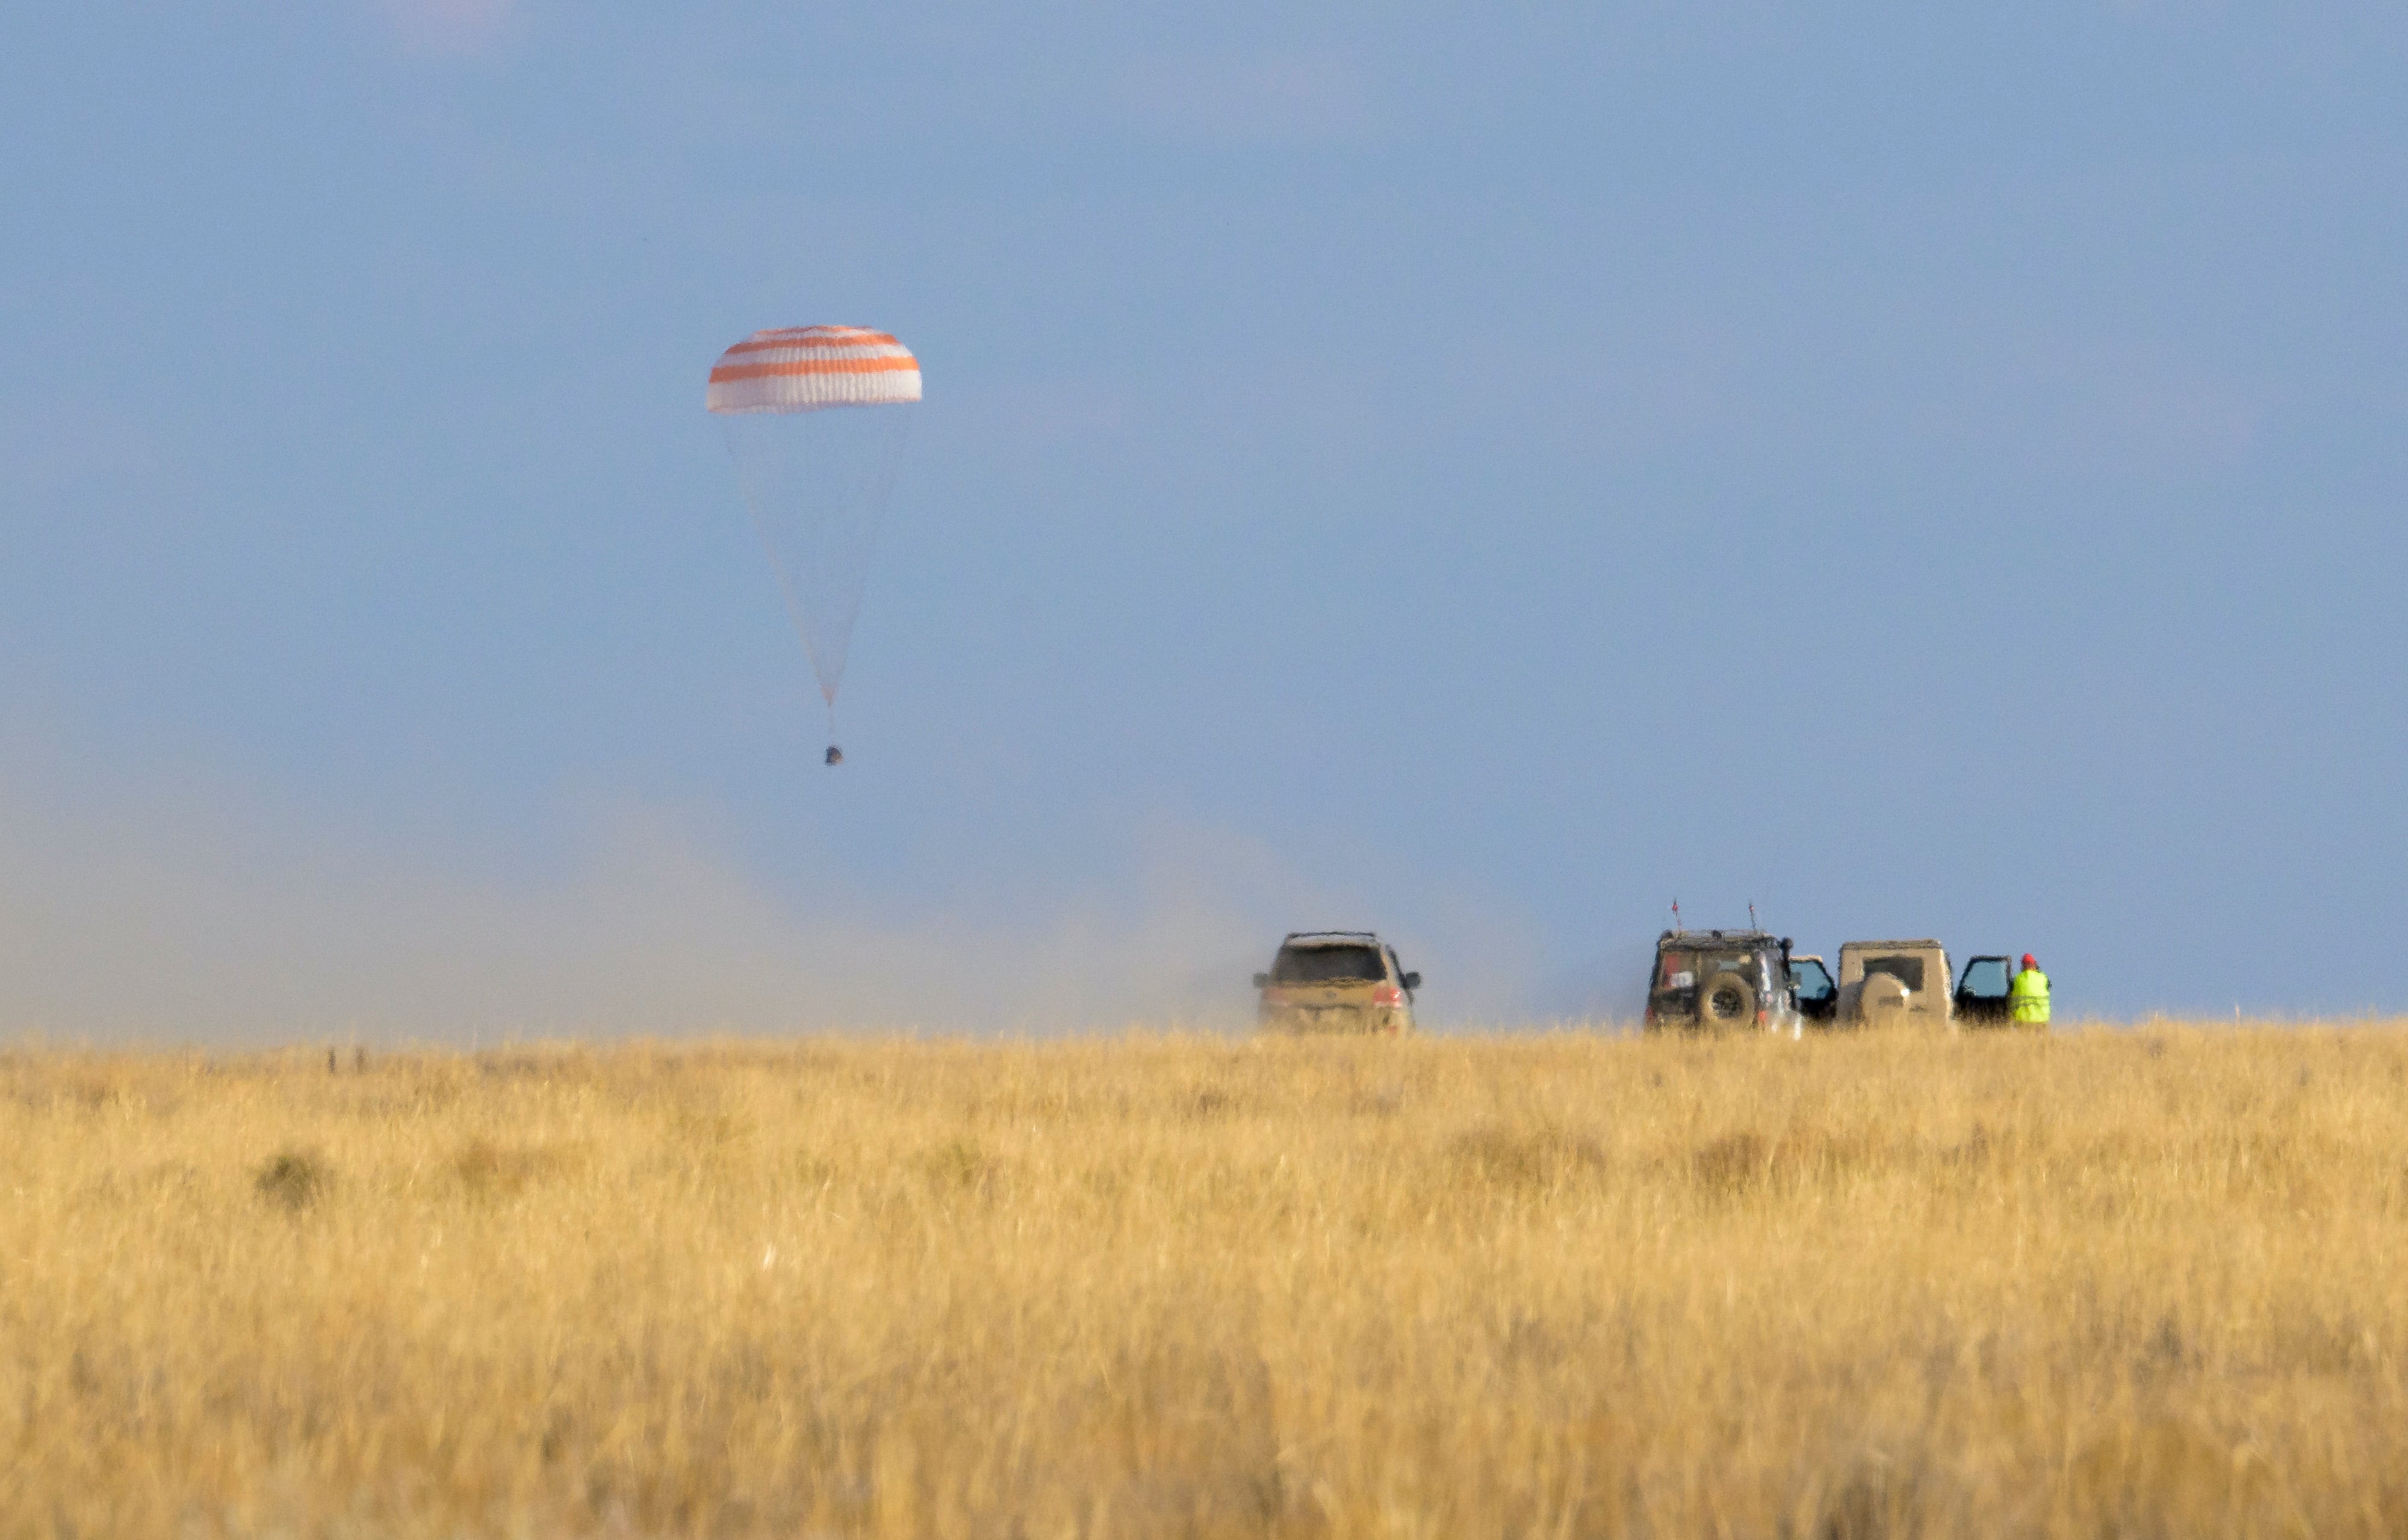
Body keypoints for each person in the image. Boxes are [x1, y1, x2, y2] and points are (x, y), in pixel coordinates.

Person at [2011, 952, 2050, 1028]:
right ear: (2035, 965)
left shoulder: (2017, 979)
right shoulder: (2044, 978)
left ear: (2023, 966)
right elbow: (2049, 987)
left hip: (2022, 1021)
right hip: (2041, 1020)